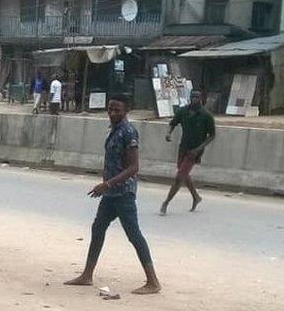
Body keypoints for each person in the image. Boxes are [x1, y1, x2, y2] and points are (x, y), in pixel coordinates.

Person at [65, 94, 161, 295]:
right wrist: (106, 187)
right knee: (98, 228)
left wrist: (106, 184)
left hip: (123, 193)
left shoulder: (128, 132)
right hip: (110, 194)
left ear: (126, 111)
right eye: (110, 109)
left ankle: (153, 282)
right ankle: (87, 275)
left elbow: (134, 167)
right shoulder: (114, 131)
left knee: (134, 235)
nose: (112, 113)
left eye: (117, 110)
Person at [161, 90, 215, 214]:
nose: (194, 99)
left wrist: (199, 148)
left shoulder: (206, 115)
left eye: (197, 97)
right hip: (183, 147)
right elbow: (173, 123)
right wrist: (168, 133)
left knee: (179, 177)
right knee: (183, 173)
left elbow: (212, 135)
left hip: (194, 151)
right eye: (192, 96)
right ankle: (196, 197)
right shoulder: (183, 111)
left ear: (201, 98)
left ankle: (166, 203)